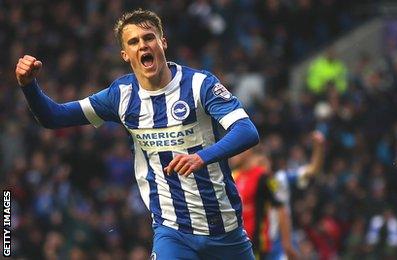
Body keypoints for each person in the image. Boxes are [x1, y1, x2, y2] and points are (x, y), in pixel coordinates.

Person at [15, 9, 258, 259]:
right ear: (125, 54)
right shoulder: (121, 95)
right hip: (173, 233)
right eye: (133, 42)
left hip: (226, 232)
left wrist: (202, 157)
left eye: (148, 38)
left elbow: (246, 131)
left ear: (162, 42)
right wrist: (29, 86)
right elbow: (53, 117)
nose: (143, 45)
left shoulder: (200, 85)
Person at [268, 130, 326, 260]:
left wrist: (319, 148)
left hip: (279, 240)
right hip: (254, 241)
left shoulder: (281, 179)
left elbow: (312, 171)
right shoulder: (240, 180)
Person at [231, 148, 292, 259]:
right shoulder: (234, 176)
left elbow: (281, 207)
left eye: (235, 151)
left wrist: (286, 243)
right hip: (236, 242)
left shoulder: (264, 176)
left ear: (247, 151)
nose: (231, 155)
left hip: (257, 243)